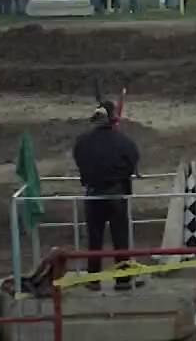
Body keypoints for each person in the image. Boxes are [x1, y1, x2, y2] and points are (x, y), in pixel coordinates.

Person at [73, 102, 140, 291]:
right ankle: (123, 280)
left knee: (94, 240)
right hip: (117, 194)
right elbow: (133, 160)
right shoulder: (123, 141)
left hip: (94, 194)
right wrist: (120, 176)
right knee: (121, 239)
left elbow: (79, 160)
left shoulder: (82, 141)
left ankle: (94, 280)